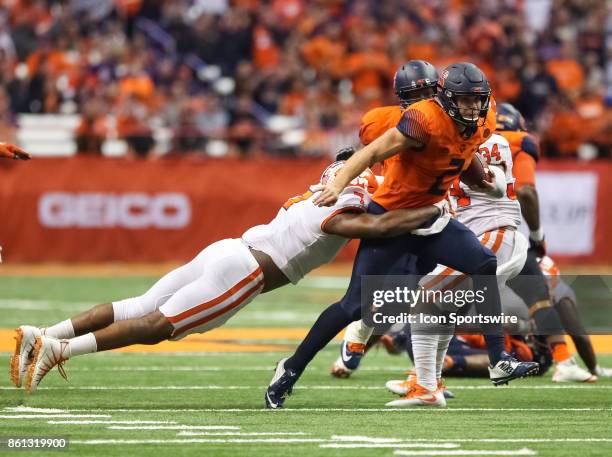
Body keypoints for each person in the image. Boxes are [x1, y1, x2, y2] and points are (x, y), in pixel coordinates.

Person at [11, 158, 444, 392]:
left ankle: (44, 333)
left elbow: (359, 172)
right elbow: (377, 225)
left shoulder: (315, 192)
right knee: (158, 325)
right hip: (247, 270)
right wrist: (432, 210)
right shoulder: (345, 203)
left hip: (230, 248)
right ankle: (58, 350)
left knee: (138, 305)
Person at [266, 62, 539, 409]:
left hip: (432, 215)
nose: (473, 107)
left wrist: (483, 178)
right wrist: (337, 185)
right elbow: (372, 152)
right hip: (393, 217)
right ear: (447, 98)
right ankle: (290, 368)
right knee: (355, 306)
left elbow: (463, 149)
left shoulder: (483, 118)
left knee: (483, 263)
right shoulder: (423, 118)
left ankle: (499, 360)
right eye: (464, 100)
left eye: (477, 100)